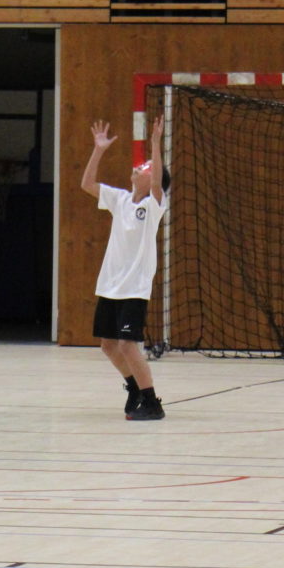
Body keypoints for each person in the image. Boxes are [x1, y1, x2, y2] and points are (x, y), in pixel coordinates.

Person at [81, 114, 168, 420]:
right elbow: (87, 183)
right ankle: (134, 388)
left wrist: (155, 143)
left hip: (134, 286)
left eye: (146, 167)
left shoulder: (153, 204)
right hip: (110, 284)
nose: (140, 168)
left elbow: (156, 181)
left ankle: (153, 403)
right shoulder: (119, 200)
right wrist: (98, 150)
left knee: (128, 345)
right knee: (108, 345)